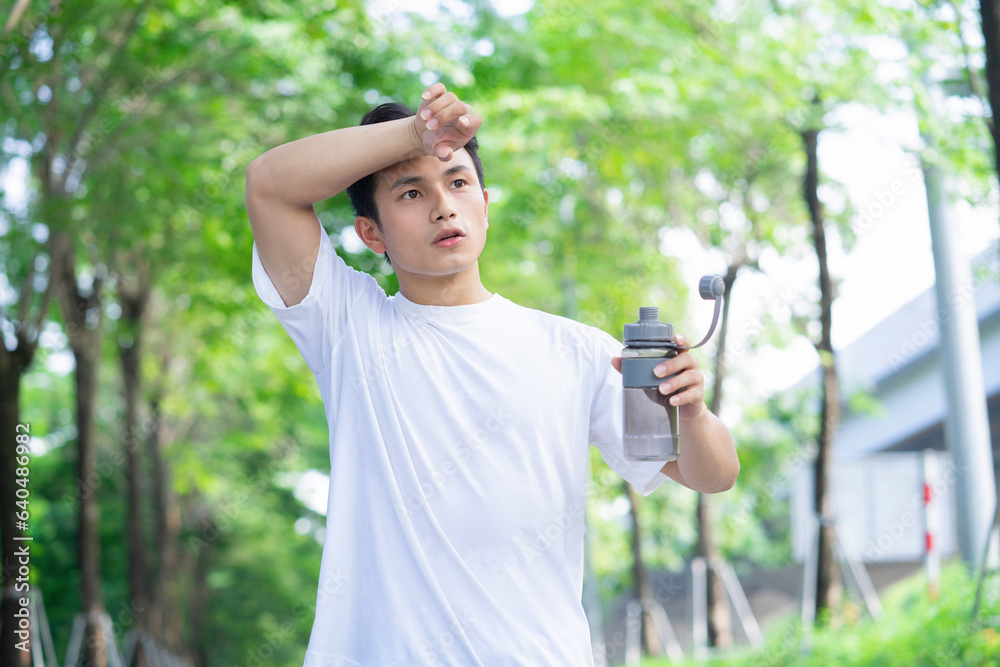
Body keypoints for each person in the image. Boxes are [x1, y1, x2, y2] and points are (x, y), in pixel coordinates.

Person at [245, 82, 738, 666]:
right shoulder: (350, 328)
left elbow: (713, 475)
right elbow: (269, 187)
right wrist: (417, 134)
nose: (443, 205)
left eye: (457, 182)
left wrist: (693, 411)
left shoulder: (577, 350)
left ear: (485, 203)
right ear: (370, 234)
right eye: (410, 191)